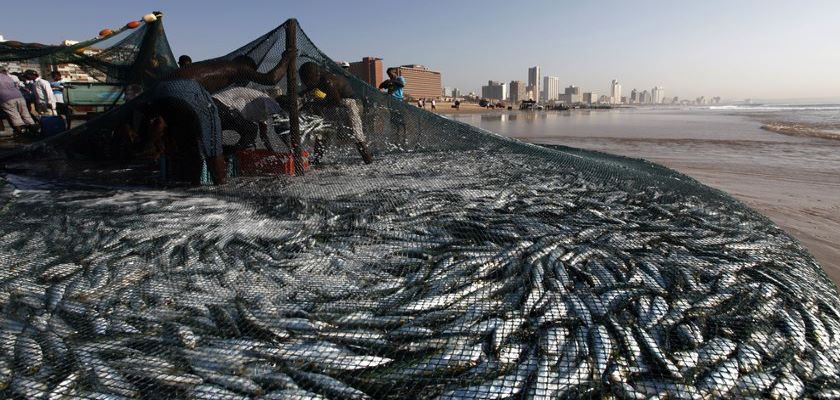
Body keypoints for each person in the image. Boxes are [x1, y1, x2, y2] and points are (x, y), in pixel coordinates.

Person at [143, 49, 295, 185]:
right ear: (247, 68)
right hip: (188, 90)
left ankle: (190, 185)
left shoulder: (215, 65)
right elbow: (272, 78)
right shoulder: (239, 68)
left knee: (191, 145)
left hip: (160, 90)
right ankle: (221, 186)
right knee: (213, 144)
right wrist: (287, 58)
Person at [299, 62, 372, 165]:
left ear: (315, 75)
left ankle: (368, 160)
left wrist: (317, 103)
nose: (306, 82)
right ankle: (316, 160)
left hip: (349, 103)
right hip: (335, 103)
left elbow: (336, 101)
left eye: (307, 79)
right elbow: (312, 89)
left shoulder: (327, 80)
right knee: (322, 132)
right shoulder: (318, 78)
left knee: (357, 135)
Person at [212, 86, 285, 152]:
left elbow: (263, 135)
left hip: (216, 105)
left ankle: (226, 151)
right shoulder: (267, 100)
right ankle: (228, 153)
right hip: (222, 106)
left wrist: (271, 152)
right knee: (251, 130)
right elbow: (279, 123)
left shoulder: (262, 108)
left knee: (250, 136)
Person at [0, 67, 37, 135]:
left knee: (15, 117)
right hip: (19, 96)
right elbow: (17, 86)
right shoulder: (9, 77)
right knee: (26, 115)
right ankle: (35, 131)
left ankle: (23, 134)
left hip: (6, 99)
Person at [378, 67, 407, 139]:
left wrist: (392, 81)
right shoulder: (389, 81)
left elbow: (402, 84)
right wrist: (384, 83)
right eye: (388, 74)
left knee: (400, 116)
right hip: (390, 101)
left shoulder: (399, 78)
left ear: (394, 73)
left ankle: (404, 132)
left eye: (390, 74)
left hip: (398, 100)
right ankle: (395, 132)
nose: (389, 76)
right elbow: (381, 86)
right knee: (393, 117)